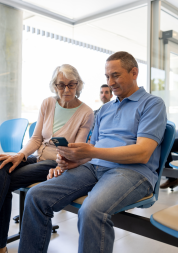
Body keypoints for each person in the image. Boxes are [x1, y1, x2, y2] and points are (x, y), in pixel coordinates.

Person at [18, 51, 167, 253]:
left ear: (134, 73)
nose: (110, 82)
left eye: (116, 75)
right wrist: (74, 162)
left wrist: (93, 153)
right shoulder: (105, 110)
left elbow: (142, 153)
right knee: (35, 196)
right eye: (107, 77)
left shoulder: (152, 104)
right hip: (94, 167)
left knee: (92, 210)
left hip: (133, 172)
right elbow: (92, 152)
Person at [0, 64, 94, 253]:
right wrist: (20, 155)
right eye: (61, 85)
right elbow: (36, 139)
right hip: (37, 158)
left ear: (78, 85)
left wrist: (64, 162)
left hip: (56, 164)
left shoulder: (86, 113)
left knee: (4, 179)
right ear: (54, 85)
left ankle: (1, 246)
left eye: (71, 84)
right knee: (3, 167)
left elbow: (78, 149)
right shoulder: (47, 103)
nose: (66, 90)